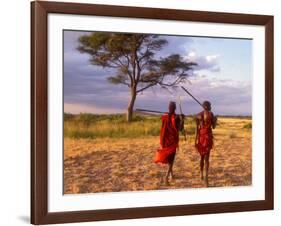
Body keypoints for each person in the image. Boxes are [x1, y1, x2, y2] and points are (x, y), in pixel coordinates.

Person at [154, 101, 184, 185]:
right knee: (172, 159)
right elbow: (180, 129)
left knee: (170, 159)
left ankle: (171, 174)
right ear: (175, 108)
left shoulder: (165, 117)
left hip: (165, 141)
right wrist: (182, 120)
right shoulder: (176, 117)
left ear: (169, 108)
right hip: (172, 141)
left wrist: (180, 118)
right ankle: (166, 177)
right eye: (172, 106)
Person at [195, 101, 217, 185]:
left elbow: (213, 127)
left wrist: (215, 120)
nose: (211, 106)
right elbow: (197, 128)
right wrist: (195, 140)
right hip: (202, 138)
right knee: (202, 158)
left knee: (206, 158)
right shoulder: (199, 115)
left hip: (207, 138)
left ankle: (206, 178)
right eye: (209, 105)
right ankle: (201, 174)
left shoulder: (211, 114)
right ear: (205, 106)